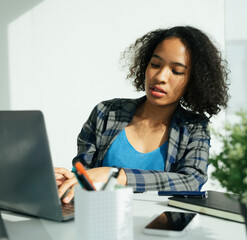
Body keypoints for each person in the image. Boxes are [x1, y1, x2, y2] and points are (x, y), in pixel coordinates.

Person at [55, 26, 229, 203]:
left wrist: (118, 176)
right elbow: (84, 175)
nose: (160, 76)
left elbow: (190, 181)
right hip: (103, 221)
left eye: (176, 71)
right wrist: (66, 182)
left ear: (193, 81)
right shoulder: (106, 113)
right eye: (155, 64)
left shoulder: (194, 128)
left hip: (158, 226)